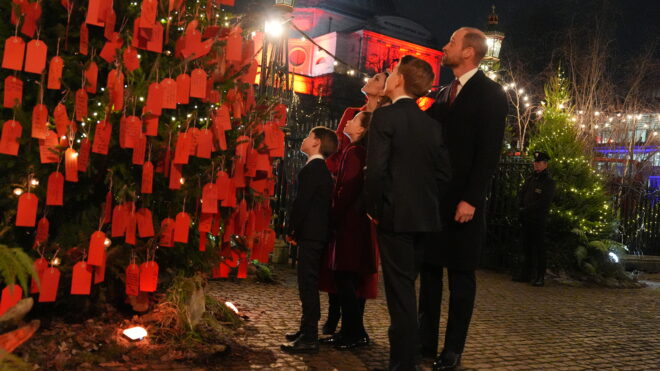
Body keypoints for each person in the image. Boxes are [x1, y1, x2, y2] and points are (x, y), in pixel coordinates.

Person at [420, 27, 508, 370]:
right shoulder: (443, 93)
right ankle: (424, 341)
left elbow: (488, 153)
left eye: (452, 42)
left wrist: (471, 199)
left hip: (463, 205)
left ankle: (452, 349)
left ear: (469, 52)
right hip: (435, 200)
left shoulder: (491, 94)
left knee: (460, 277)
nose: (444, 46)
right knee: (429, 273)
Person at [365, 55, 451, 371]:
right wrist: (425, 201)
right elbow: (444, 175)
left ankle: (402, 363)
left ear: (399, 79)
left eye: (391, 74)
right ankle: (406, 357)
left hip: (395, 216)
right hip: (425, 218)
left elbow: (374, 172)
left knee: (400, 293)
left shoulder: (385, 118)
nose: (386, 79)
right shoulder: (431, 125)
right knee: (408, 288)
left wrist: (374, 208)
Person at [320, 72, 390, 336]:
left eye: (376, 78)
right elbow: (336, 149)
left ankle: (353, 324)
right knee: (336, 262)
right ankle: (333, 316)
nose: (369, 78)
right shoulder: (352, 113)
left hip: (365, 200)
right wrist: (342, 173)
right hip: (344, 187)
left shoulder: (387, 117)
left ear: (384, 90)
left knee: (358, 264)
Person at [322, 111, 378, 350]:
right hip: (354, 222)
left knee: (346, 279)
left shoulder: (355, 152)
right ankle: (350, 330)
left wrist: (332, 216)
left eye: (354, 121)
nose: (348, 121)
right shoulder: (357, 151)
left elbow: (347, 188)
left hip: (350, 224)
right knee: (347, 280)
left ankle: (354, 333)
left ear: (363, 129)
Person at [282, 126, 338, 354]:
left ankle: (310, 336)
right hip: (316, 233)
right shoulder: (319, 169)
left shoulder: (313, 170)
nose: (304, 139)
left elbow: (302, 204)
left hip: (312, 234)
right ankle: (306, 329)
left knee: (307, 283)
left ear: (316, 142)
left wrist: (291, 228)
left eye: (308, 136)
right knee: (308, 282)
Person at [515, 151, 555, 287]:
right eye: (535, 163)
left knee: (539, 248)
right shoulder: (531, 179)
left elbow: (543, 202)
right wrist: (520, 206)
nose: (535, 165)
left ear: (545, 164)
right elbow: (522, 193)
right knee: (526, 247)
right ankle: (526, 273)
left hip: (538, 220)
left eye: (538, 163)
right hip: (527, 218)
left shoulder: (548, 182)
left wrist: (526, 209)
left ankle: (540, 276)